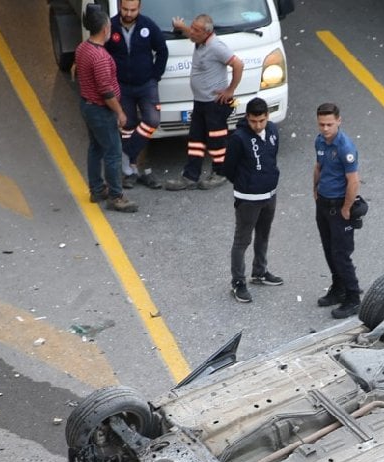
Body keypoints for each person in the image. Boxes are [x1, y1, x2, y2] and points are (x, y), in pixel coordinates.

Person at [164, 14, 243, 191]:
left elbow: (238, 65)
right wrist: (180, 26)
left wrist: (230, 91)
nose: (191, 32)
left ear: (208, 32)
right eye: (192, 27)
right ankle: (191, 176)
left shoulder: (216, 47)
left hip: (214, 104)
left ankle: (221, 173)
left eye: (196, 30)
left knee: (216, 140)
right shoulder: (200, 39)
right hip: (200, 102)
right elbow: (190, 33)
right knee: (196, 139)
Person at [220, 98, 284, 303]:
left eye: (262, 120)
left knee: (263, 235)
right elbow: (228, 168)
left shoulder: (272, 130)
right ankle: (238, 282)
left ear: (267, 117)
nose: (258, 125)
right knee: (242, 241)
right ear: (247, 117)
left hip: (269, 195)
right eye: (254, 121)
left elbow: (272, 157)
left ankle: (259, 272)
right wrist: (244, 183)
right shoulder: (238, 138)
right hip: (248, 199)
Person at [75, 4, 136, 212]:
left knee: (95, 147)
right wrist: (119, 112)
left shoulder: (83, 48)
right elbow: (106, 91)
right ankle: (116, 196)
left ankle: (97, 189)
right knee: (113, 152)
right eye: (109, 26)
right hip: (101, 110)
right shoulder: (100, 57)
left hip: (87, 105)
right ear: (104, 29)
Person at [105, 0, 168, 190]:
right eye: (125, 9)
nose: (129, 13)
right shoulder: (110, 26)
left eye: (133, 10)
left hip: (146, 84)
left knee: (152, 120)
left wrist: (155, 76)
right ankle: (131, 171)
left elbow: (162, 51)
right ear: (119, 7)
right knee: (127, 125)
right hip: (122, 86)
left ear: (139, 8)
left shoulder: (148, 25)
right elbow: (103, 54)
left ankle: (128, 156)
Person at [311, 103, 362, 319]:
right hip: (323, 203)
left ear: (339, 121)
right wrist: (315, 189)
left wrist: (346, 209)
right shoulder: (320, 141)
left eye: (329, 124)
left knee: (341, 254)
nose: (325, 128)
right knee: (329, 251)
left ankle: (352, 297)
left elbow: (353, 181)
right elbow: (318, 166)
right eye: (321, 124)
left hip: (339, 206)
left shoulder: (345, 147)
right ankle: (338, 287)